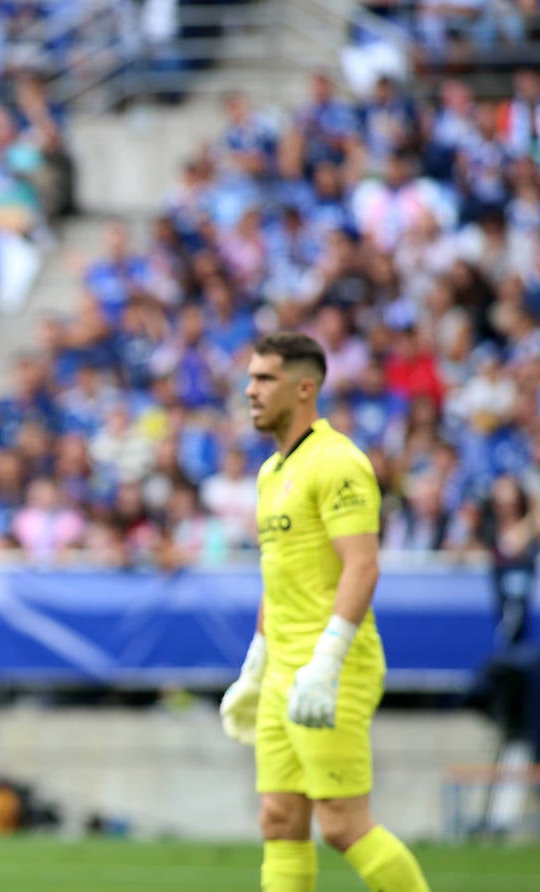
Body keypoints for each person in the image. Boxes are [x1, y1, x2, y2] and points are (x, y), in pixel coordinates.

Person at [219, 332, 431, 892]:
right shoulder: (269, 474)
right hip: (282, 672)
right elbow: (278, 575)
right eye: (251, 377)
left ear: (305, 386)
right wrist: (256, 665)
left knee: (341, 825)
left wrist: (327, 662)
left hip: (330, 671)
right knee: (279, 820)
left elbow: (362, 567)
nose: (251, 390)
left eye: (265, 378)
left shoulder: (338, 462)